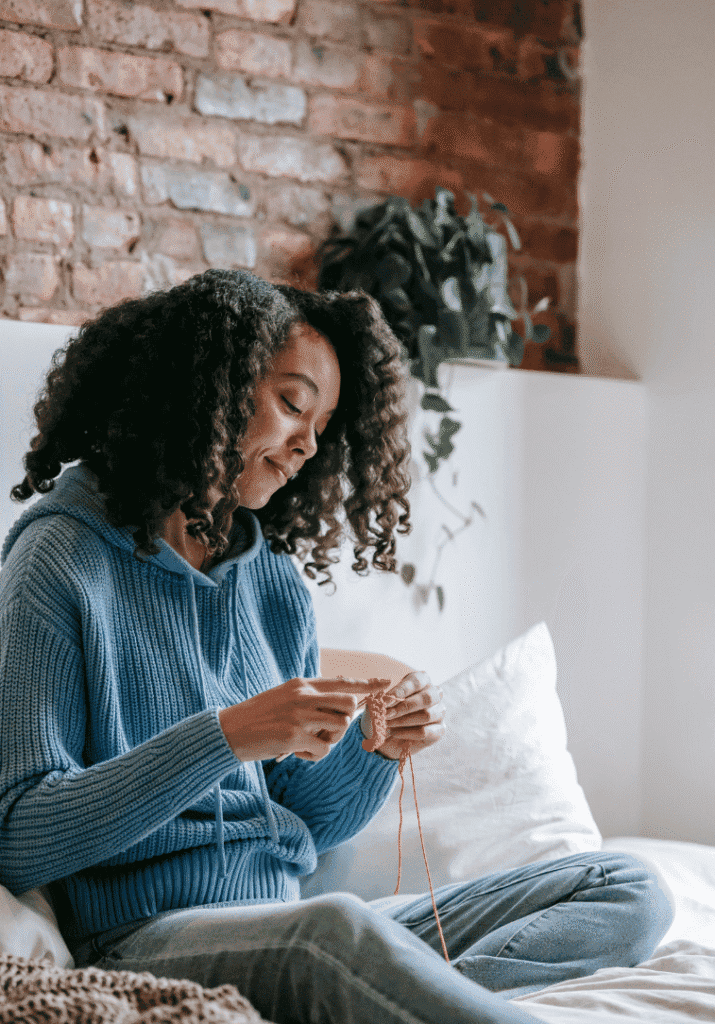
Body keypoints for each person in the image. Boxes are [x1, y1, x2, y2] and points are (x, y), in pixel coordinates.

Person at [0, 269, 670, 1024]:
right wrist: (227, 737)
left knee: (626, 885)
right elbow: (23, 835)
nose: (305, 448)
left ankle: (400, 1001)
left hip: (293, 926)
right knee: (332, 931)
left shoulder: (272, 582)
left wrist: (373, 753)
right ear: (207, 387)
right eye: (291, 405)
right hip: (146, 938)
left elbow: (303, 824)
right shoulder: (58, 560)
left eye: (321, 427)